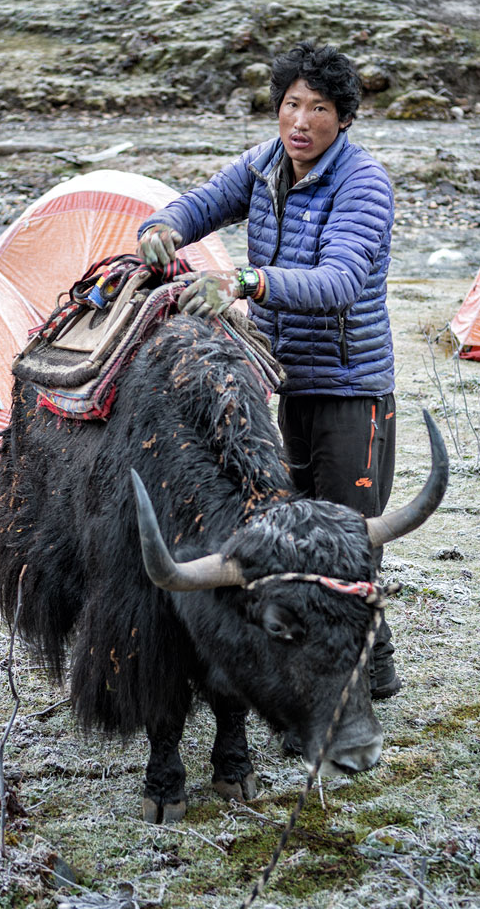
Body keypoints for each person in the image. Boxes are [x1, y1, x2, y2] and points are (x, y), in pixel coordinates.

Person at [137, 41, 400, 703]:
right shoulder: (262, 166)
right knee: (290, 529)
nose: (300, 122)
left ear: (342, 118)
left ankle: (371, 665)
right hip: (281, 384)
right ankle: (321, 659)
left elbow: (339, 281)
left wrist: (247, 280)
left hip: (349, 390)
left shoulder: (362, 183)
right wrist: (163, 226)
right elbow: (197, 205)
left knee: (347, 534)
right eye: (290, 105)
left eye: (317, 108)